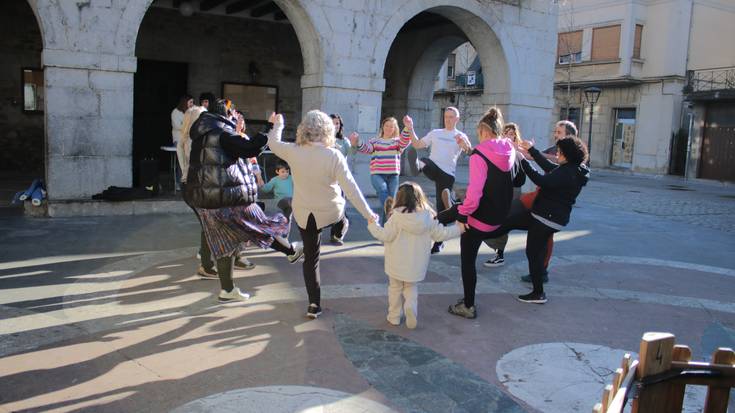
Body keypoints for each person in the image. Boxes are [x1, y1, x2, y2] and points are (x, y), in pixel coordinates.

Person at [185, 99, 303, 303]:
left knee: (225, 243)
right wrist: (270, 127)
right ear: (226, 115)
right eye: (233, 114)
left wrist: (238, 131)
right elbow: (250, 149)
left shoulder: (203, 132)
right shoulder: (221, 132)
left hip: (206, 200)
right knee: (259, 225)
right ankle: (291, 251)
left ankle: (228, 290)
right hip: (228, 199)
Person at [267, 110, 378, 319]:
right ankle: (340, 227)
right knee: (341, 212)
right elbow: (352, 189)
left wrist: (278, 123)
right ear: (328, 130)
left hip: (304, 213)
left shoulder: (293, 151)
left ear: (304, 130)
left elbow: (273, 143)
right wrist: (369, 214)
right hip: (330, 211)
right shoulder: (333, 155)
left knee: (311, 259)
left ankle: (313, 305)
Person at [438, 108, 525, 319]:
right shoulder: (510, 149)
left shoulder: (479, 154)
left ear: (483, 131)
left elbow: (476, 192)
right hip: (500, 215)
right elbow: (517, 181)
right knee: (452, 211)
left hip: (480, 217)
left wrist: (463, 216)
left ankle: (468, 305)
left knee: (467, 260)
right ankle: (441, 214)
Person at [497, 135, 589, 304]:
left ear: (568, 154)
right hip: (544, 215)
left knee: (533, 252)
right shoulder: (571, 168)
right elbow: (548, 166)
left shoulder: (568, 173)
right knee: (510, 222)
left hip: (546, 219)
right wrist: (530, 150)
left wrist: (523, 161)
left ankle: (538, 293)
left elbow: (541, 180)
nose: (557, 154)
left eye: (560, 152)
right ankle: (484, 233)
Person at [368, 182, 462, 329]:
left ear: (398, 198)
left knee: (395, 288)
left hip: (396, 264)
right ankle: (410, 306)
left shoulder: (395, 218)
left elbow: (384, 236)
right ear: (419, 197)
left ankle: (394, 317)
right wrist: (459, 229)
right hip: (416, 265)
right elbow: (442, 234)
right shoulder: (428, 218)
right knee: (411, 288)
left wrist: (372, 224)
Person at [514, 119, 580, 283]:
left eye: (559, 133)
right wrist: (526, 151)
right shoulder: (557, 151)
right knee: (535, 239)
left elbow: (549, 164)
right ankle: (539, 275)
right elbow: (545, 162)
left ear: (570, 137)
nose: (555, 135)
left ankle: (540, 277)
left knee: (537, 241)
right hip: (545, 202)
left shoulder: (573, 158)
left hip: (549, 205)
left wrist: (525, 155)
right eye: (555, 132)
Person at [402, 107, 471, 254]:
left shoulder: (460, 135)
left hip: (447, 175)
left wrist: (464, 144)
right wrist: (410, 128)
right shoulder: (436, 133)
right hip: (432, 167)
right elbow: (417, 144)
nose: (448, 119)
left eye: (451, 117)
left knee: (442, 211)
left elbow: (468, 151)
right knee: (425, 161)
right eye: (446, 116)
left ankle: (438, 243)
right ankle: (418, 166)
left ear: (457, 119)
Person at [349, 117, 411, 222]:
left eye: (391, 126)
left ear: (395, 128)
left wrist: (407, 127)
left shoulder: (397, 142)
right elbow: (367, 149)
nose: (388, 128)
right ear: (383, 127)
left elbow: (405, 141)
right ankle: (391, 214)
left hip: (393, 175)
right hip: (377, 174)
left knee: (391, 200)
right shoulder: (375, 141)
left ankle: (387, 227)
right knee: (383, 190)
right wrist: (358, 141)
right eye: (387, 125)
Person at [481, 122, 525, 268]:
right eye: (506, 132)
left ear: (515, 136)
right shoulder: (498, 150)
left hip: (511, 191)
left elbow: (521, 179)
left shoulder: (517, 153)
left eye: (512, 133)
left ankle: (499, 254)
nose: (509, 135)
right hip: (496, 191)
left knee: (502, 220)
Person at [328, 113, 351, 245]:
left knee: (339, 206)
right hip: (324, 179)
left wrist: (354, 144)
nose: (335, 126)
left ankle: (336, 235)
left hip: (339, 179)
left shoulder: (344, 141)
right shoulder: (321, 139)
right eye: (332, 123)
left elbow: (351, 152)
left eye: (337, 123)